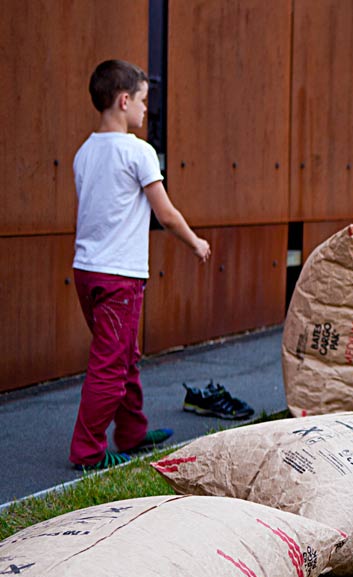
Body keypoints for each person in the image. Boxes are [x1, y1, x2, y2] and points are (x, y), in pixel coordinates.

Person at [69, 59, 211, 470]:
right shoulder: (138, 152)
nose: (147, 110)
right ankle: (88, 453)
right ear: (124, 100)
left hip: (88, 271)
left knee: (123, 356)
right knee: (111, 365)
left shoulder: (84, 153)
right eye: (144, 101)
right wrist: (197, 243)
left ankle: (131, 432)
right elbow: (164, 214)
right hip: (119, 277)